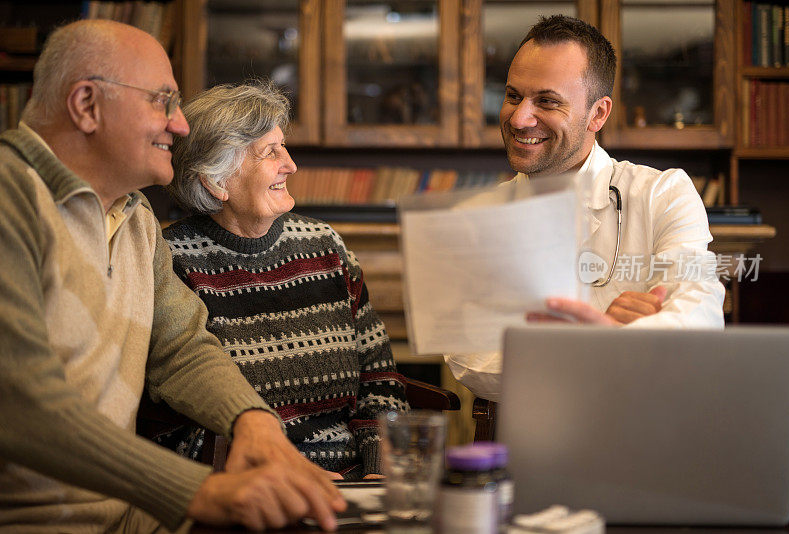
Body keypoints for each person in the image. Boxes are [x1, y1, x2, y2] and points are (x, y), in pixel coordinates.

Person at [0, 20, 345, 532]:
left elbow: (181, 347)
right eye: (162, 101)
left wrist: (252, 421)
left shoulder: (135, 217)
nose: (181, 125)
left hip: (126, 515)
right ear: (87, 105)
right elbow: (22, 405)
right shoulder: (11, 199)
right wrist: (200, 490)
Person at [444, 15, 725, 402]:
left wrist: (554, 342)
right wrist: (602, 338)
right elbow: (469, 356)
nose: (520, 118)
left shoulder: (663, 193)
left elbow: (701, 315)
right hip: (539, 436)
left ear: (598, 114)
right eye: (513, 96)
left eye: (546, 101)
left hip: (651, 425)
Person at [157, 81, 409, 480]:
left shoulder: (325, 246)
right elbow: (178, 418)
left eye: (284, 146)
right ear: (216, 181)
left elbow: (379, 379)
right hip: (248, 484)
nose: (290, 164)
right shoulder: (172, 261)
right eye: (269, 152)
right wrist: (276, 473)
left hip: (354, 479)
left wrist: (378, 467)